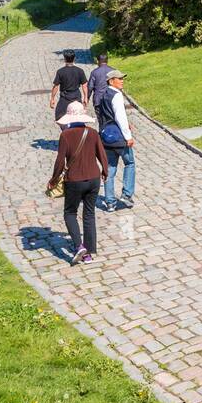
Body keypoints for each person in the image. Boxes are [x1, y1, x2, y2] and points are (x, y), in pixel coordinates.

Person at [48, 100, 108, 266]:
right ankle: (88, 253)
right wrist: (105, 171)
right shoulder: (93, 133)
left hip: (74, 180)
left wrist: (53, 180)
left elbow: (60, 161)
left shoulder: (65, 135)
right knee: (89, 214)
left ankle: (79, 246)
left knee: (70, 212)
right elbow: (101, 154)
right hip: (94, 179)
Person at [98, 68, 136, 211]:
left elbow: (105, 115)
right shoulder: (117, 95)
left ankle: (110, 202)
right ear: (111, 81)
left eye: (122, 78)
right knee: (130, 163)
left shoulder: (104, 94)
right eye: (119, 79)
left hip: (106, 137)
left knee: (109, 169)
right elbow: (119, 116)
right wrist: (128, 136)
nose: (122, 81)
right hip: (119, 138)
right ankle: (126, 194)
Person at [50, 50, 88, 123]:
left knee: (59, 118)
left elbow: (56, 86)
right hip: (76, 97)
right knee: (78, 117)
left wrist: (52, 99)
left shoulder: (60, 71)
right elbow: (84, 85)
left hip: (65, 98)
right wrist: (85, 97)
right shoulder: (80, 71)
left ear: (64, 59)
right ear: (74, 59)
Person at [87, 51, 113, 119]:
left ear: (98, 61)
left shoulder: (94, 72)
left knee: (101, 120)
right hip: (111, 100)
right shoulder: (113, 71)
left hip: (98, 100)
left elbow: (90, 87)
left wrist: (87, 98)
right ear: (107, 60)